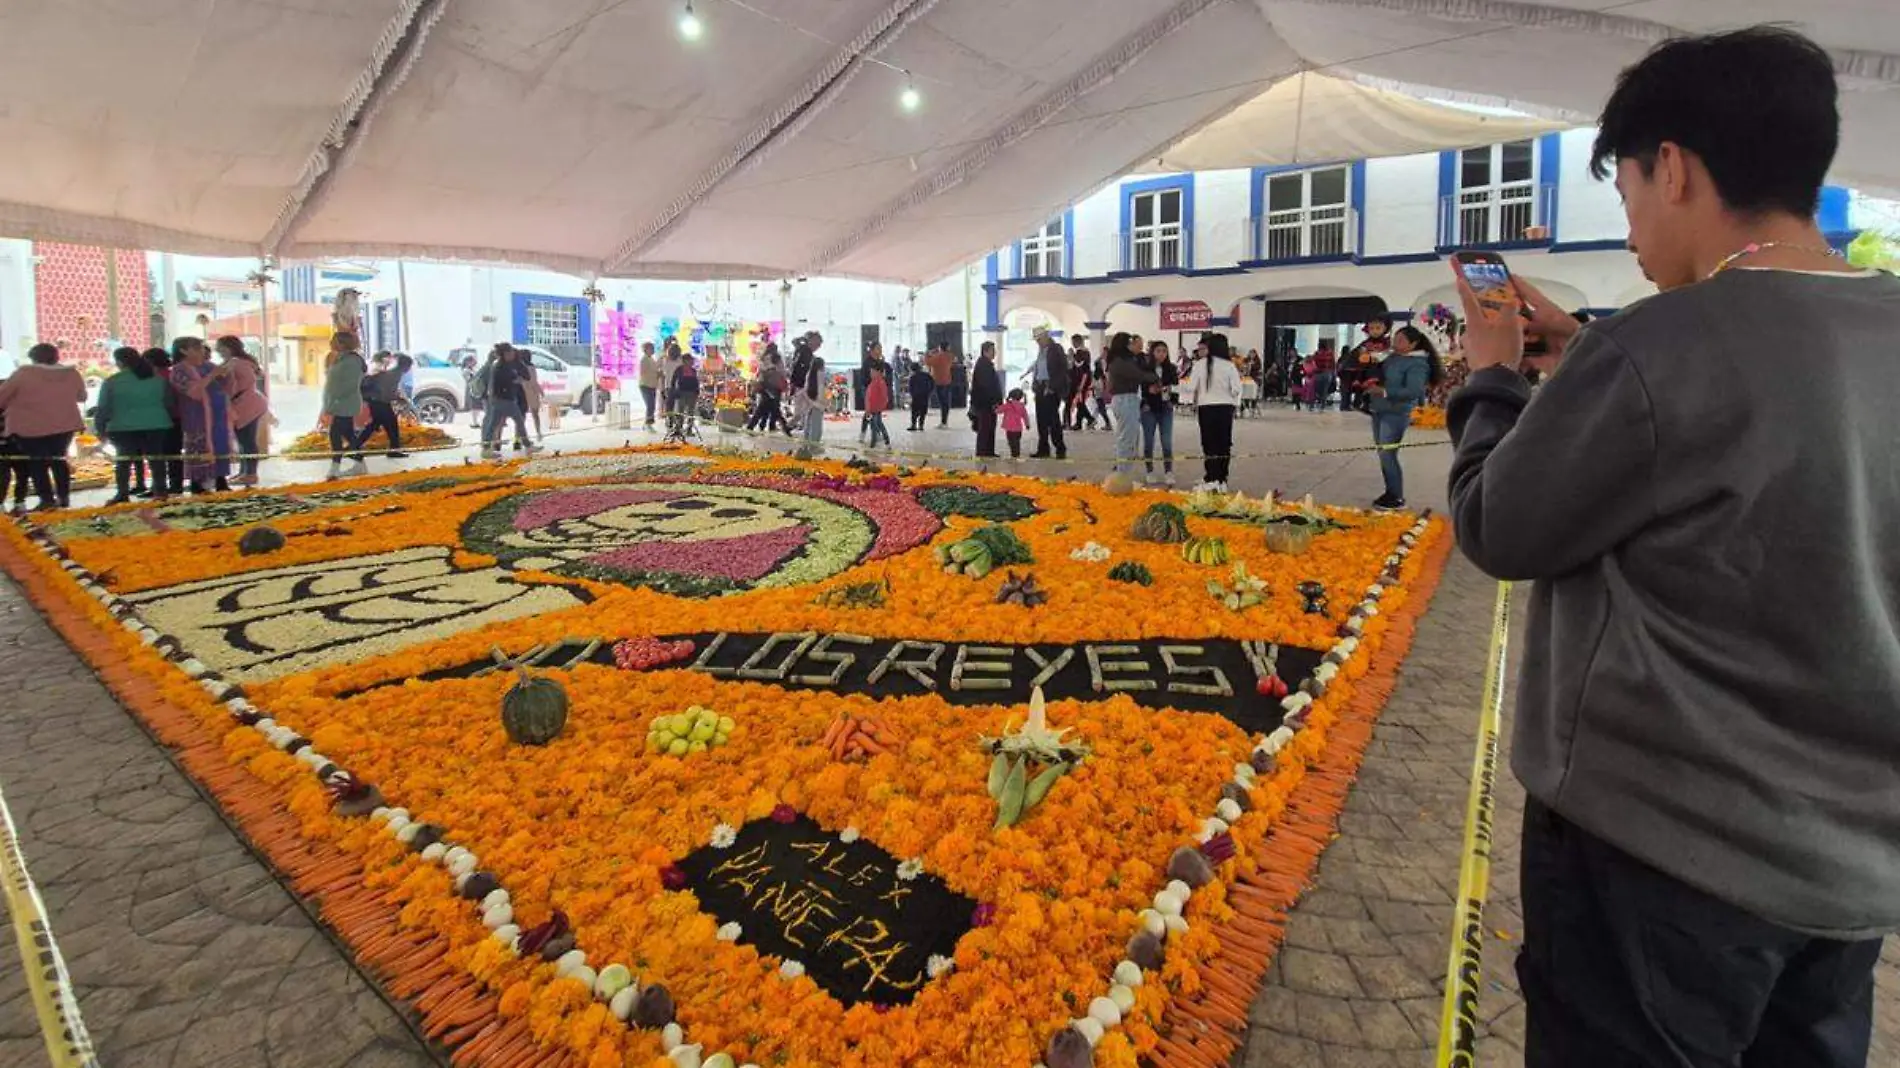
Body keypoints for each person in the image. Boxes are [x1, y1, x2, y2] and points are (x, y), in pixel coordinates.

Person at [1447, 27, 1900, 1068]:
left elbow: (1495, 525)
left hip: (1656, 860)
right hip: (1843, 873)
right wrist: (1589, 353)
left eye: (1630, 193)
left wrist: (1493, 374)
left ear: (1676, 167)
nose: (1637, 228)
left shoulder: (1661, 347)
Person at [0, 344, 85, 511]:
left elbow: (2, 398)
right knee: (59, 460)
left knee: (37, 464)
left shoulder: (23, 374)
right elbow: (82, 396)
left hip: (30, 427)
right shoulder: (71, 373)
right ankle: (63, 496)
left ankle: (46, 500)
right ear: (56, 357)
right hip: (65, 425)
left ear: (33, 358)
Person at [1362, 326, 1434, 510]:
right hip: (1379, 410)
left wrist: (1384, 391)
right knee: (1383, 454)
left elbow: (1413, 391)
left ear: (1413, 344)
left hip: (1395, 413)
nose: (1396, 343)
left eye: (1401, 340)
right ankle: (1390, 491)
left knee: (1388, 454)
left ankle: (1396, 496)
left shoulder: (1417, 363)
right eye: (1395, 339)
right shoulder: (1392, 357)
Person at [94, 347, 175, 505]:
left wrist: (100, 429)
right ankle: (161, 492)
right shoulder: (158, 380)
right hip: (156, 424)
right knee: (156, 459)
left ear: (119, 362)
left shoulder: (112, 381)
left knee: (124, 461)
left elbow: (103, 408)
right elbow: (169, 403)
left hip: (122, 426)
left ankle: (122, 493)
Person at [170, 336, 235, 493]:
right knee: (199, 447)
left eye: (201, 348)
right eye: (196, 348)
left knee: (220, 445)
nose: (201, 352)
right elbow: (194, 392)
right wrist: (212, 376)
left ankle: (221, 480)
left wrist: (226, 375)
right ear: (183, 350)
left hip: (219, 415)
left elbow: (226, 387)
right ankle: (197, 483)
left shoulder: (208, 366)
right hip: (197, 416)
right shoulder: (179, 370)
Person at [1187, 333, 1240, 492]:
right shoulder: (1229, 365)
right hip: (1225, 408)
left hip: (1207, 408)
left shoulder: (1200, 364)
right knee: (1224, 444)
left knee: (1209, 444)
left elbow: (1191, 387)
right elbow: (1237, 389)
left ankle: (1211, 478)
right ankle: (1222, 479)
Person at [216, 336, 270, 486]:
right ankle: (244, 472)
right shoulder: (238, 362)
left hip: (247, 404)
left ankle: (251, 473)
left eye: (219, 346)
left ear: (227, 347)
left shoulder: (236, 363)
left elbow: (237, 383)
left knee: (247, 441)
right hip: (247, 403)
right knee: (243, 441)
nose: (217, 350)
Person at [1103, 333, 1156, 475]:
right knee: (1126, 439)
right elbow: (1139, 375)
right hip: (1125, 400)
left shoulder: (1125, 359)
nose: (1133, 345)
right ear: (1124, 345)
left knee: (1130, 438)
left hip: (1128, 399)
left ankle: (1123, 472)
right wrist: (1156, 377)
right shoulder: (1120, 361)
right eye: (1130, 343)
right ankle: (1122, 475)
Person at [319, 332, 368, 480]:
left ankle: (335, 469)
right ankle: (359, 465)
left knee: (335, 434)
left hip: (344, 403)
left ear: (342, 343)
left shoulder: (352, 361)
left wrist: (333, 402)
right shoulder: (341, 358)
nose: (331, 343)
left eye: (334, 340)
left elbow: (347, 385)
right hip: (337, 402)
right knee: (348, 434)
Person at [355, 353, 411, 458]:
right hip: (380, 402)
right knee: (392, 425)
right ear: (406, 366)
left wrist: (397, 398)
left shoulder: (391, 373)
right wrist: (398, 398)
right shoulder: (395, 375)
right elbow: (387, 393)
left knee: (374, 425)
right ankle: (393, 450)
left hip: (375, 400)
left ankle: (354, 446)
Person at [1141, 340, 1179, 486]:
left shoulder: (1172, 368)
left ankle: (1168, 471)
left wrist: (1171, 398)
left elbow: (1176, 387)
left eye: (1164, 351)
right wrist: (1145, 400)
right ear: (1152, 352)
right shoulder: (1145, 369)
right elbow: (1140, 388)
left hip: (1165, 409)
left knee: (1167, 442)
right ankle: (1149, 471)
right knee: (1149, 442)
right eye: (1158, 351)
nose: (1162, 354)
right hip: (1149, 410)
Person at [146, 347, 183, 496]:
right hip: (175, 417)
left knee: (160, 454)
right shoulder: (171, 374)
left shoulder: (157, 377)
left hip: (162, 418)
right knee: (173, 453)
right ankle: (174, 484)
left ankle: (162, 486)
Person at [479, 345, 527, 459]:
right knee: (516, 421)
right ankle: (527, 445)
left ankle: (488, 448)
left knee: (493, 424)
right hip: (502, 399)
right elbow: (499, 384)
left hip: (498, 399)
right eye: (510, 353)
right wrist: (514, 381)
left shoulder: (498, 366)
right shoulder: (499, 367)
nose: (512, 355)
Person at [1030, 328, 1070, 459]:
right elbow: (1038, 369)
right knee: (1041, 420)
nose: (1038, 342)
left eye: (1039, 339)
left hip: (1051, 388)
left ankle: (1060, 448)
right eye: (1036, 340)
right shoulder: (1040, 351)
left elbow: (1063, 370)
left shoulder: (1056, 349)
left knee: (1053, 421)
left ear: (1046, 336)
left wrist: (1052, 387)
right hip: (1040, 388)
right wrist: (1035, 384)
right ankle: (1043, 449)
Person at [1345, 318, 1392, 413]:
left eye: (1378, 328)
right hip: (1365, 372)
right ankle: (1362, 402)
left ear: (1384, 329)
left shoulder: (1387, 343)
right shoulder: (1365, 344)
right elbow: (1354, 356)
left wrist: (1378, 357)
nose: (1375, 331)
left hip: (1381, 372)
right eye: (1372, 328)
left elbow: (1390, 354)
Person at [969, 341, 1004, 458]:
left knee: (989, 428)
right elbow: (986, 386)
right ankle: (983, 453)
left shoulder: (987, 364)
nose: (995, 353)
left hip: (988, 403)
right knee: (984, 429)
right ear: (985, 351)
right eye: (993, 351)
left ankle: (989, 451)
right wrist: (993, 401)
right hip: (985, 404)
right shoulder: (983, 366)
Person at [748, 348, 790, 433]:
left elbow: (760, 372)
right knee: (772, 409)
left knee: (766, 408)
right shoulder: (776, 359)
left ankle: (755, 426)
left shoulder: (763, 359)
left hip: (765, 386)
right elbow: (782, 372)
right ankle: (783, 427)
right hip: (774, 387)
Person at [668, 353, 701, 437]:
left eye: (691, 360)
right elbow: (673, 380)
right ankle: (678, 429)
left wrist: (697, 391)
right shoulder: (679, 369)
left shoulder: (693, 370)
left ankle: (689, 430)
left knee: (691, 412)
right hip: (682, 393)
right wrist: (673, 390)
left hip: (692, 393)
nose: (691, 362)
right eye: (689, 360)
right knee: (680, 412)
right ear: (685, 361)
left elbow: (696, 382)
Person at [863, 364, 891, 449]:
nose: (871, 374)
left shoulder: (879, 382)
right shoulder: (875, 382)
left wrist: (872, 408)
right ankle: (886, 442)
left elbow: (883, 397)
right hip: (873, 408)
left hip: (874, 409)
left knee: (874, 427)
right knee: (879, 425)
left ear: (878, 372)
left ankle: (873, 444)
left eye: (872, 372)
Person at [925, 345, 954, 427]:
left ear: (940, 348)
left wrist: (928, 354)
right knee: (946, 402)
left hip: (939, 382)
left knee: (942, 402)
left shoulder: (938, 357)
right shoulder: (950, 356)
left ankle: (943, 422)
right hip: (948, 381)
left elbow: (928, 362)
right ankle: (945, 421)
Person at [999, 388, 1030, 460]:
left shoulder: (1008, 405)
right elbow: (1025, 416)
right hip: (1018, 428)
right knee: (1017, 442)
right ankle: (1017, 454)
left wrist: (995, 408)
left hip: (1009, 428)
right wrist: (1027, 424)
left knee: (1011, 442)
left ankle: (1013, 454)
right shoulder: (1022, 406)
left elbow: (999, 410)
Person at [636, 342, 661, 428]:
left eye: (653, 348)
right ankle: (648, 423)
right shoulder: (644, 360)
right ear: (646, 350)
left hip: (652, 385)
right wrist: (655, 373)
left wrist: (658, 374)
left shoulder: (652, 359)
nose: (653, 350)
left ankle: (648, 422)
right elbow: (643, 373)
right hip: (645, 385)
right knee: (650, 404)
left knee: (652, 405)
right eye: (651, 348)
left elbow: (654, 370)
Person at [1307, 341, 1336, 412]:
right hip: (1327, 373)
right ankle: (1322, 407)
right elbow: (1333, 365)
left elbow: (1311, 362)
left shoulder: (1317, 353)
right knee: (1325, 391)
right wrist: (1333, 375)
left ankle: (1312, 406)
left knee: (1314, 390)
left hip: (1317, 373)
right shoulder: (1330, 353)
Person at [907, 360, 934, 431]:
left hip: (916, 397)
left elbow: (910, 388)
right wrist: (929, 392)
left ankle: (913, 425)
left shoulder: (912, 377)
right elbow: (932, 383)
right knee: (923, 412)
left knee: (914, 412)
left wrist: (912, 395)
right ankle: (921, 425)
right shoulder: (927, 375)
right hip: (925, 396)